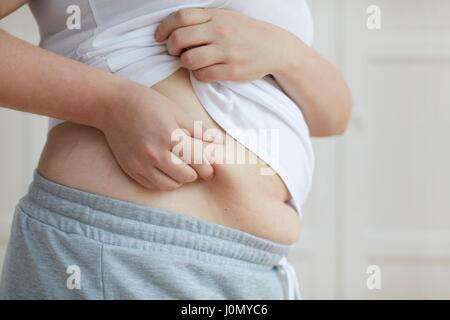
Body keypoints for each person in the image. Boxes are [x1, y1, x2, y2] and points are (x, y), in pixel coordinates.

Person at [0, 0, 352, 299]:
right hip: (123, 250)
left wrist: (287, 53)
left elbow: (332, 118)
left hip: (260, 269)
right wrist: (109, 103)